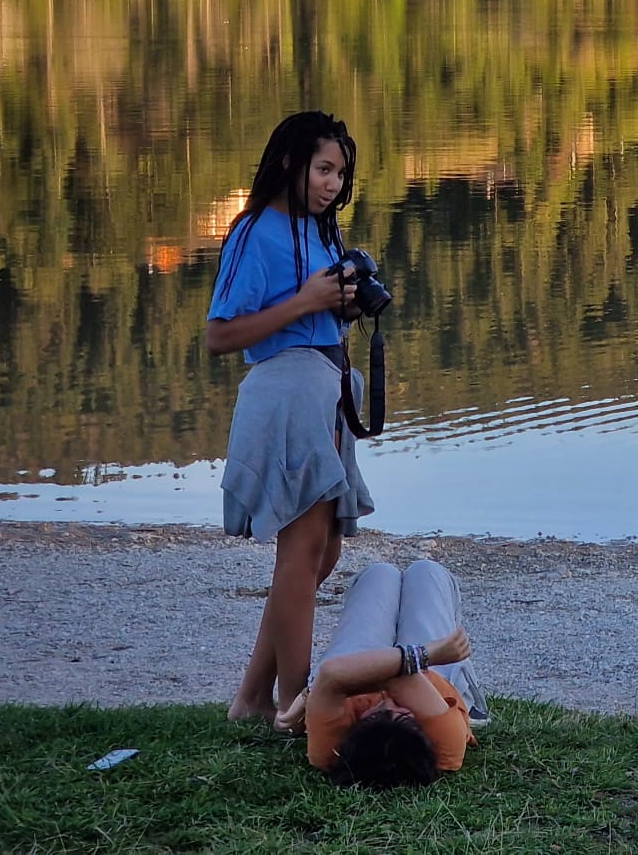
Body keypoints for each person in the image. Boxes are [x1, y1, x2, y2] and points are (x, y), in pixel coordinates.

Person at [208, 110, 375, 722]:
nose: (333, 184)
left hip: (326, 390)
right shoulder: (255, 232)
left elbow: (314, 311)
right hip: (286, 393)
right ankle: (293, 704)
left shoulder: (323, 231)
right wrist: (308, 301)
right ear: (289, 163)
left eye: (340, 173)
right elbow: (219, 337)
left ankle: (253, 699)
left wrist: (344, 306)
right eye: (323, 169)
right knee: (300, 555)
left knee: (322, 553)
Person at [275, 558, 490, 786]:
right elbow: (396, 681)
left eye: (378, 714)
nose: (391, 703)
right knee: (428, 572)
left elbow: (331, 673)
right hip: (433, 679)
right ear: (423, 734)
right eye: (405, 715)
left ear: (352, 734)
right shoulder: (446, 743)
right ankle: (471, 705)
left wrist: (315, 691)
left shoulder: (328, 751)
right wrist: (430, 655)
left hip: (352, 671)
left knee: (379, 574)